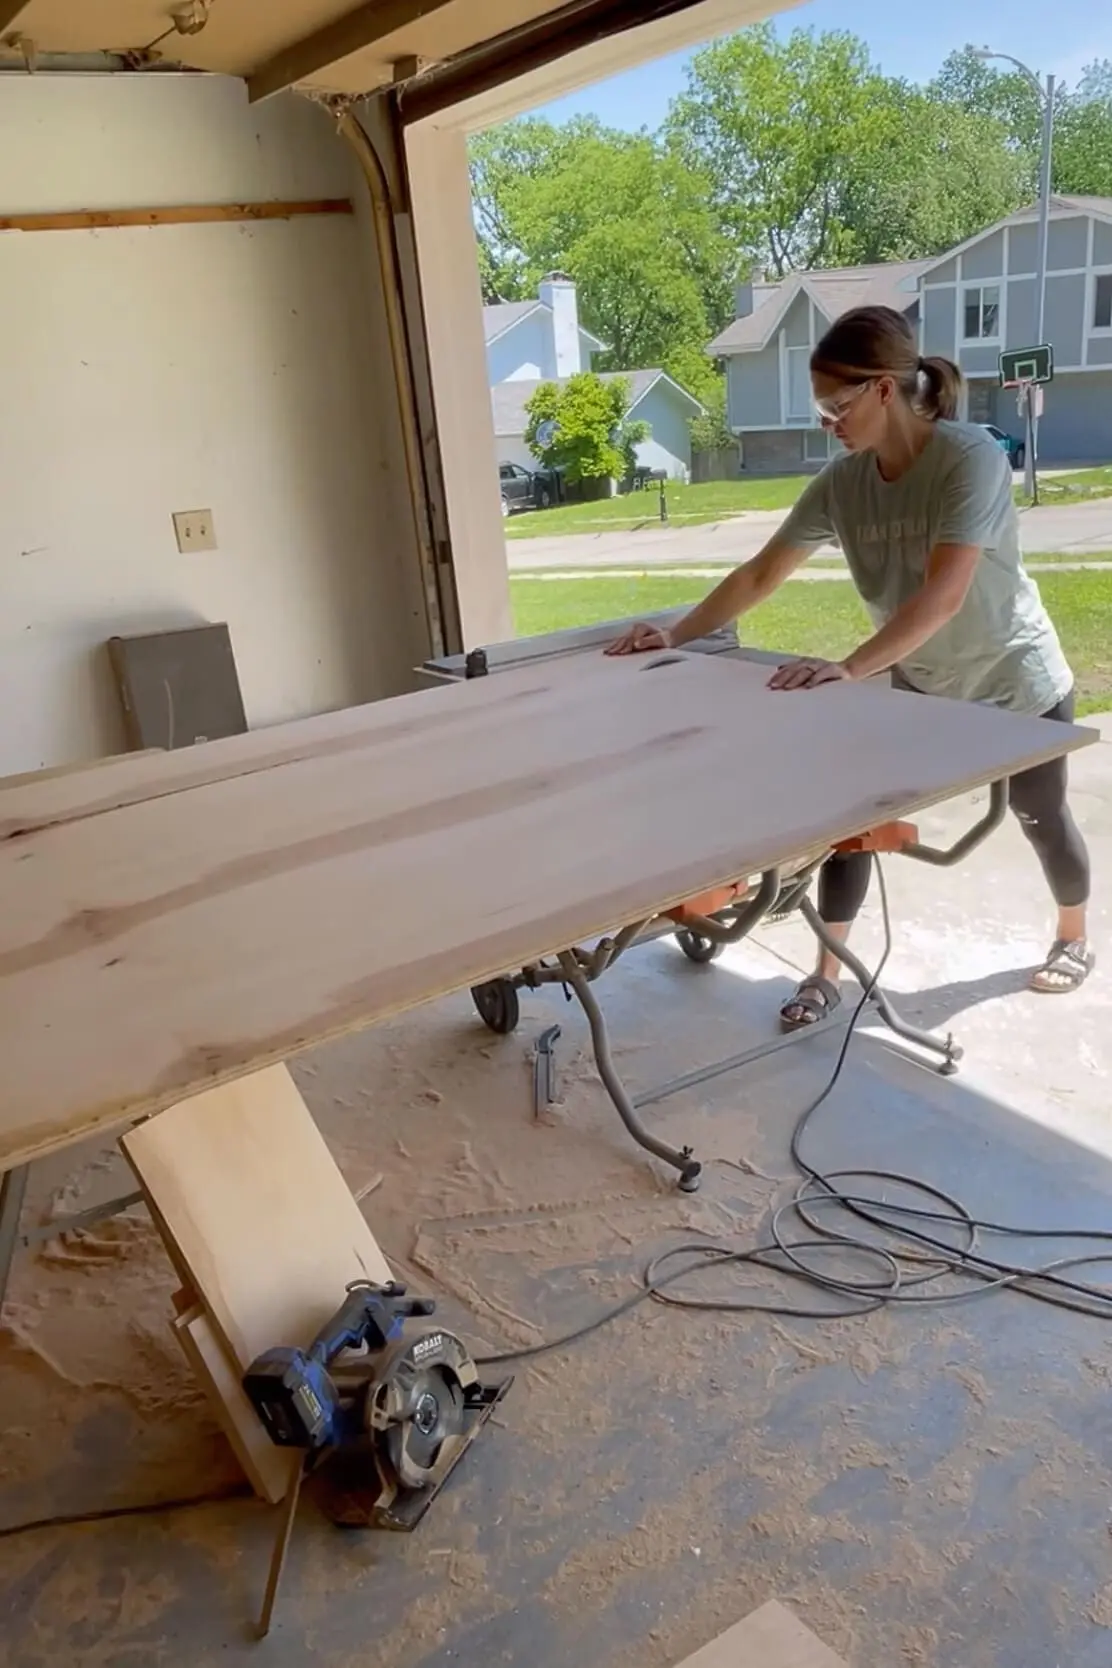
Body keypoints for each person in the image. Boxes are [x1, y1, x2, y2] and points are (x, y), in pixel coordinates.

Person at [608, 304, 1093, 1026]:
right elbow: (760, 573)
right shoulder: (842, 484)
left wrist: (850, 667)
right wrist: (676, 634)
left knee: (1038, 813)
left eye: (838, 405)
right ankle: (824, 974)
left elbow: (945, 595)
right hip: (923, 684)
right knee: (853, 816)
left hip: (1013, 676)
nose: (828, 422)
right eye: (820, 408)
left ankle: (1072, 938)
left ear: (885, 391)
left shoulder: (970, 459)